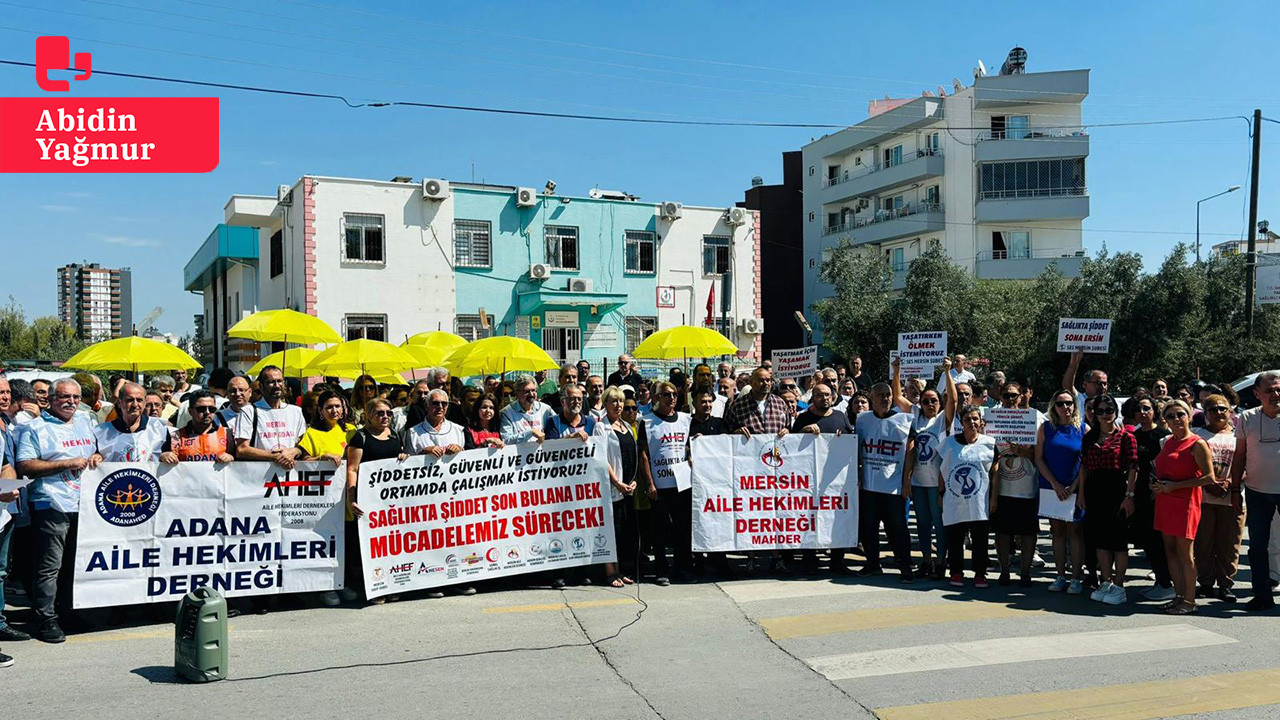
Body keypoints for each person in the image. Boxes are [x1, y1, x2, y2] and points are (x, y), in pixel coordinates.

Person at [15, 378, 102, 643]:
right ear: (50, 399)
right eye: (65, 397)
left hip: (84, 504)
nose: (71, 402)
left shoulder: (86, 422)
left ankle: (68, 612)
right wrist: (65, 463)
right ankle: (46, 618)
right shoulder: (34, 428)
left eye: (76, 398)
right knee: (49, 566)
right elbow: (26, 465)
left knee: (74, 564)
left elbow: (95, 452)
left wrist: (97, 456)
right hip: (51, 503)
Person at [1154, 398, 1215, 614]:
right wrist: (1159, 486)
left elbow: (1209, 477)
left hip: (1186, 503)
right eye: (1170, 416)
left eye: (1180, 414)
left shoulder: (1197, 443)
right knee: (1170, 552)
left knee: (1185, 554)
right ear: (1165, 421)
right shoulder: (1168, 441)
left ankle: (1189, 601)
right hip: (1165, 500)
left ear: (1189, 416)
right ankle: (1179, 595)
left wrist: (1176, 486)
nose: (1176, 419)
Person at [345, 398, 409, 605]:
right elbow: (352, 469)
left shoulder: (396, 435)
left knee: (391, 543)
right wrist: (351, 499)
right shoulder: (360, 437)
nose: (385, 417)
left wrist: (403, 457)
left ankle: (392, 584)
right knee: (371, 546)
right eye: (380, 413)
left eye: (388, 413)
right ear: (369, 415)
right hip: (369, 500)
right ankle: (375, 587)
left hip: (391, 502)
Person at [1077, 395, 1138, 606]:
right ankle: (1106, 580)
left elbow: (1132, 469)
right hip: (1095, 491)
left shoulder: (1126, 437)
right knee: (1100, 540)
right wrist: (1082, 494)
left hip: (1117, 491)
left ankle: (1119, 586)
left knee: (1118, 541)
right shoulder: (1089, 438)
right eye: (1099, 410)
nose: (1104, 415)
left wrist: (1129, 496)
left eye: (1108, 410)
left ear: (1115, 412)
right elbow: (1084, 467)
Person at [855, 382, 916, 582]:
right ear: (871, 398)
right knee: (869, 526)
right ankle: (873, 563)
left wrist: (907, 480)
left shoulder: (904, 420)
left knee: (897, 528)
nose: (885, 398)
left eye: (888, 395)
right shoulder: (862, 420)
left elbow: (910, 451)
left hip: (893, 486)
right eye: (880, 395)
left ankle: (904, 565)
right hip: (869, 485)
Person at [892, 360, 948, 580]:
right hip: (918, 481)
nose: (929, 404)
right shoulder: (915, 415)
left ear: (939, 402)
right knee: (923, 524)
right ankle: (926, 560)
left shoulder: (943, 420)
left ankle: (941, 561)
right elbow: (898, 397)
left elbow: (952, 399)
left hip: (937, 482)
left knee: (939, 523)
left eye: (933, 401)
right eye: (925, 401)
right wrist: (897, 372)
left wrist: (946, 372)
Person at [792, 382, 853, 574]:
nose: (824, 398)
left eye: (827, 395)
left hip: (835, 481)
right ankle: (809, 560)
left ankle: (837, 560)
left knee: (837, 519)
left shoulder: (840, 417)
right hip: (808, 481)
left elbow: (850, 442)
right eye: (820, 395)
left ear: (833, 397)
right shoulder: (803, 418)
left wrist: (843, 437)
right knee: (809, 520)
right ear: (813, 398)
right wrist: (803, 433)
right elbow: (791, 448)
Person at [1231, 371, 1280, 611]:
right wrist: (1233, 489)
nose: (1275, 394)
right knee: (1258, 547)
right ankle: (1262, 596)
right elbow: (1239, 456)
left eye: (1279, 389)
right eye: (1269, 390)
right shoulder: (1247, 419)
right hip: (1257, 492)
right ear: (1256, 394)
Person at [638, 381, 694, 585]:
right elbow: (643, 454)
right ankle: (661, 569)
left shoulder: (686, 419)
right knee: (659, 531)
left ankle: (683, 568)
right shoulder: (646, 421)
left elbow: (689, 445)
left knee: (683, 529)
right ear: (657, 397)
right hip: (659, 485)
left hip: (681, 483)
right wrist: (649, 483)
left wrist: (690, 455)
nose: (671, 398)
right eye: (666, 395)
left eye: (674, 395)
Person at [939, 405, 999, 587]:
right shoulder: (949, 443)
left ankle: (980, 574)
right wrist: (940, 494)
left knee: (980, 538)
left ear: (981, 421)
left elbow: (995, 473)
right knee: (955, 536)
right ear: (961, 423)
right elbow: (941, 470)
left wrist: (994, 498)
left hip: (980, 500)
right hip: (954, 498)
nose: (972, 422)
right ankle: (956, 572)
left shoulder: (989, 443)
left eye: (975, 419)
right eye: (967, 420)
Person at [991, 380, 1043, 587]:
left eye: (1014, 395)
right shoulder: (992, 419)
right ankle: (1005, 571)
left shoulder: (1034, 419)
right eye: (1006, 395)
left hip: (1027, 486)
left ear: (1022, 396)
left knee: (1028, 533)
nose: (1011, 399)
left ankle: (1025, 572)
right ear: (1000, 397)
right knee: (1002, 532)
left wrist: (1024, 452)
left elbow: (1042, 454)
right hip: (1001, 485)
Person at [1036, 390, 1086, 594]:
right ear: (1053, 406)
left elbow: (1086, 462)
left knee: (1075, 532)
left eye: (1069, 403)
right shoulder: (1045, 428)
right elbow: (1039, 458)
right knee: (1056, 532)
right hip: (1051, 488)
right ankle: (1060, 576)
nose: (1065, 407)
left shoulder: (1083, 429)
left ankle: (1076, 578)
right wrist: (1055, 484)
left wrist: (1073, 487)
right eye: (1060, 403)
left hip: (1074, 487)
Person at [1193, 393, 1242, 602]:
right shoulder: (1197, 434)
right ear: (1206, 413)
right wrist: (1209, 483)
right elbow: (1190, 463)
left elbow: (1248, 462)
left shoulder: (1240, 434)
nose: (1219, 413)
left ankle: (1225, 584)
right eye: (1213, 409)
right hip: (1203, 496)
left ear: (1230, 411)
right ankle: (1205, 583)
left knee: (1229, 542)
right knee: (1203, 542)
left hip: (1232, 496)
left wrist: (1231, 482)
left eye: (1223, 408)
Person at [1130, 395, 1176, 601]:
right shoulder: (1134, 436)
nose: (1142, 412)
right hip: (1139, 496)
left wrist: (1157, 489)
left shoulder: (1163, 436)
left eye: (1146, 408)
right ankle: (1160, 580)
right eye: (1138, 409)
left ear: (1154, 412)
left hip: (1160, 496)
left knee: (1159, 542)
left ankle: (1167, 583)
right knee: (1147, 541)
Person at [595, 387, 638, 587]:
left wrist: (634, 480)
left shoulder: (627, 426)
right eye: (613, 401)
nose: (618, 405)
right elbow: (602, 459)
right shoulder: (600, 427)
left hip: (629, 487)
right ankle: (610, 572)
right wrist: (617, 483)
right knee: (612, 530)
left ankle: (622, 570)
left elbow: (633, 456)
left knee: (625, 533)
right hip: (612, 488)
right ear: (605, 404)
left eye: (621, 401)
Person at [234, 367, 306, 469]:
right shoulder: (249, 411)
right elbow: (241, 449)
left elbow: (303, 446)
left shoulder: (295, 411)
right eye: (271, 382)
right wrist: (276, 456)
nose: (277, 386)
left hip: (290, 476)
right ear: (261, 386)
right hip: (259, 476)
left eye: (280, 381)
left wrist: (294, 452)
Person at [93, 382, 175, 464]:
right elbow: (95, 458)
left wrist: (165, 455)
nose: (135, 404)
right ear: (119, 403)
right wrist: (96, 456)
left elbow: (165, 456)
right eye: (130, 400)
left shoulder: (159, 428)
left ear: (144, 403)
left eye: (139, 400)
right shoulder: (101, 432)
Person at [169, 391, 234, 462]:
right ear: (190, 411)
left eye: (212, 409)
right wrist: (165, 456)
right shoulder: (176, 436)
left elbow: (238, 460)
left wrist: (231, 457)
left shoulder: (227, 433)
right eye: (201, 409)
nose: (207, 412)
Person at [499, 376, 551, 445]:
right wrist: (530, 433)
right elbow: (506, 440)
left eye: (533, 390)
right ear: (517, 393)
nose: (531, 394)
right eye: (527, 391)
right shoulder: (507, 413)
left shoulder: (546, 409)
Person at [1063, 349, 1108, 415]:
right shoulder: (1079, 399)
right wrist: (1074, 362)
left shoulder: (1110, 403)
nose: (1103, 387)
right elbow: (1067, 385)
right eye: (1099, 383)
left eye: (1105, 384)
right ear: (1085, 384)